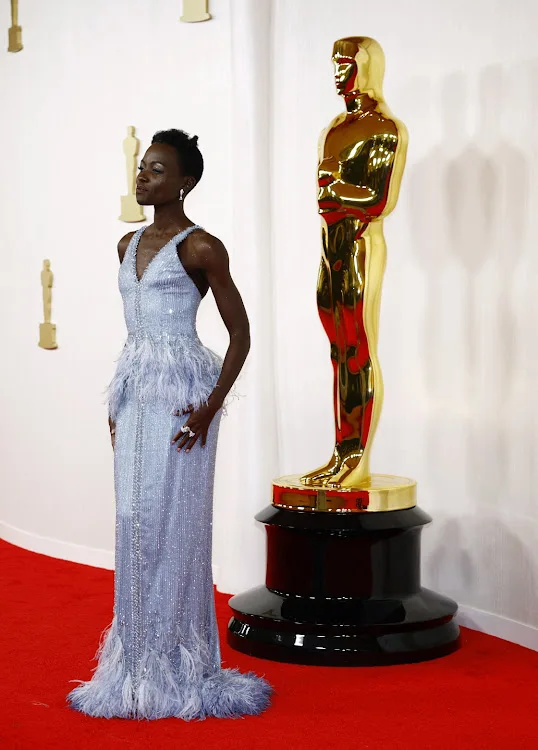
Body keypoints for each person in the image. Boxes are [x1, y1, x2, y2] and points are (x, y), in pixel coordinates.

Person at [67, 128, 273, 720]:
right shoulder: (125, 245)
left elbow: (241, 335)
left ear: (184, 181)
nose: (143, 177)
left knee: (173, 526)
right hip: (134, 396)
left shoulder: (202, 248)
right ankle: (134, 667)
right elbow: (134, 333)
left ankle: (180, 667)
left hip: (183, 402)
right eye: (141, 167)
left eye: (157, 170)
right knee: (133, 521)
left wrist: (210, 407)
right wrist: (117, 402)